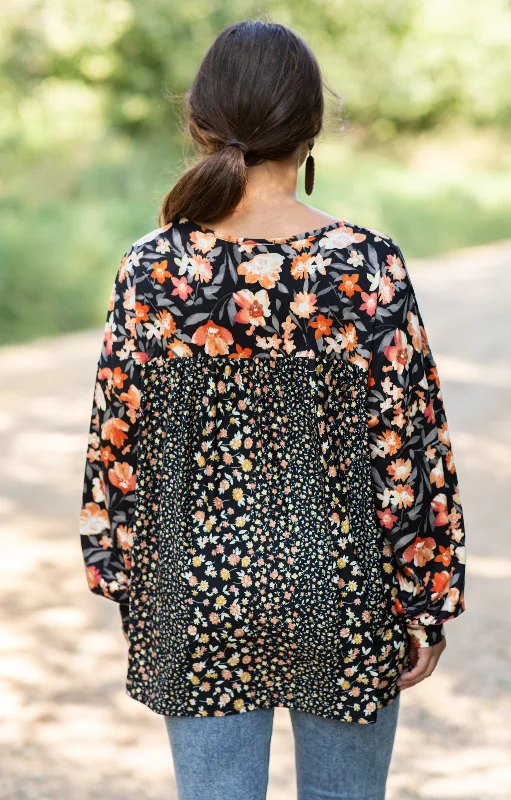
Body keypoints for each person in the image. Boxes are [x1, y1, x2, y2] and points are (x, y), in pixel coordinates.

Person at [79, 18, 466, 800]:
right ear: (311, 129)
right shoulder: (366, 266)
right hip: (344, 592)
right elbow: (409, 448)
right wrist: (425, 601)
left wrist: (124, 577)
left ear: (199, 124)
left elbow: (115, 447)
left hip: (192, 591)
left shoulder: (150, 269)